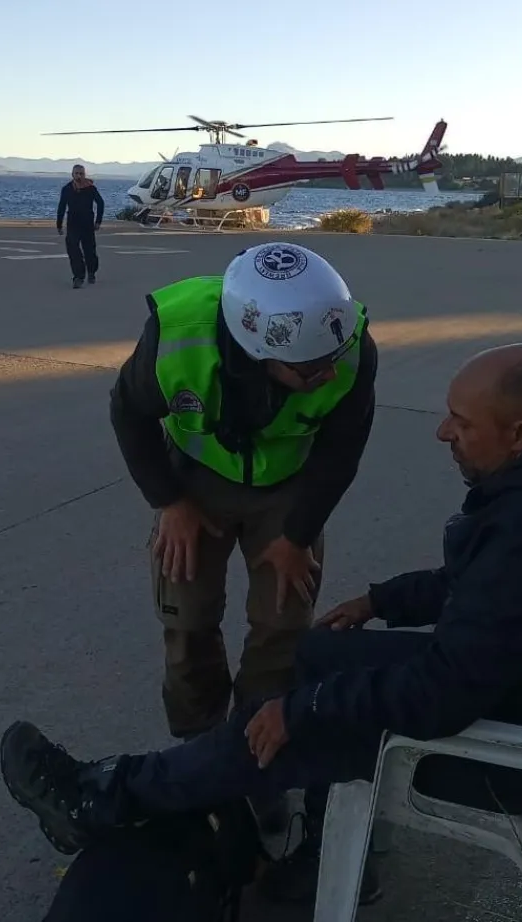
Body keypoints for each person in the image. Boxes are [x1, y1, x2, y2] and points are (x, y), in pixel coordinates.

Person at [1, 343, 522, 908]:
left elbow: (440, 694)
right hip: (521, 691)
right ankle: (324, 848)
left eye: (462, 422)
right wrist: (379, 598)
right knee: (314, 655)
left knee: (272, 728)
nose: (442, 432)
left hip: (505, 751)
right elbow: (475, 590)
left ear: (520, 434)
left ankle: (98, 799)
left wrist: (302, 713)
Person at [108, 241, 378, 832]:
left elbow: (341, 450)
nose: (331, 372)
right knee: (187, 619)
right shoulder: (177, 334)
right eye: (311, 369)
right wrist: (169, 502)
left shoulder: (345, 344)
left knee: (284, 625)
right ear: (259, 351)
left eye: (333, 357)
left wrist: (297, 534)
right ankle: (202, 757)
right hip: (195, 482)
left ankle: (257, 759)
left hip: (291, 488)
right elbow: (128, 412)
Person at [57, 164, 104, 288]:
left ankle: (92, 272)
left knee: (90, 251)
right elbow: (61, 207)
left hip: (87, 224)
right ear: (72, 174)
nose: (79, 176)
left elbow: (100, 203)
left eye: (81, 173)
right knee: (73, 250)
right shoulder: (67, 189)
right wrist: (59, 224)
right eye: (76, 173)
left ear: (84, 175)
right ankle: (78, 276)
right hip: (73, 224)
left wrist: (98, 221)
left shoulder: (90, 188)